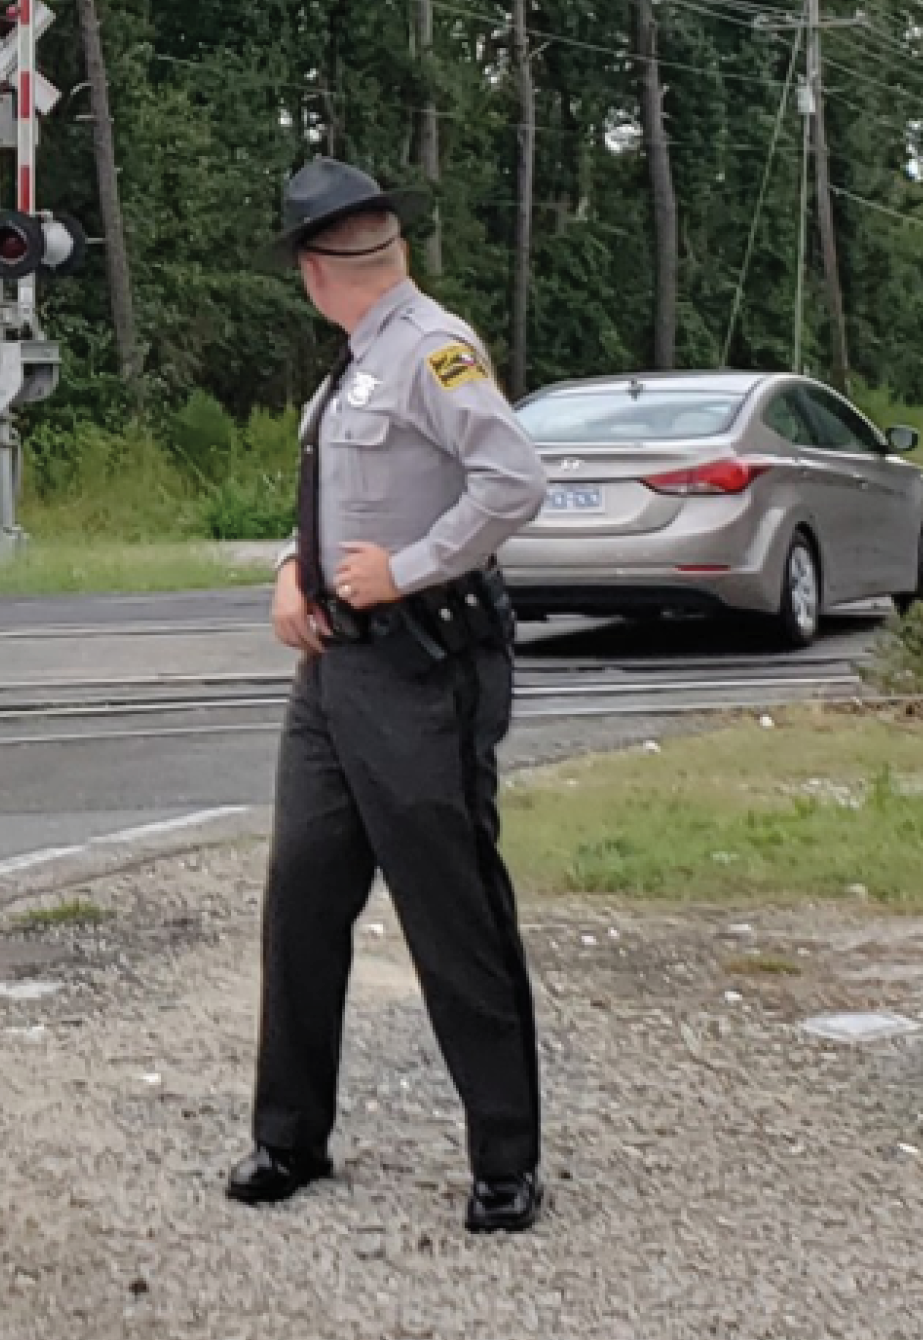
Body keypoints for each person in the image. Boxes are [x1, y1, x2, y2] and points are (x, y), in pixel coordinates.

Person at [225, 155, 549, 1234]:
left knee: (450, 907)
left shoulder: (431, 352)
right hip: (333, 674)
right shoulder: (350, 370)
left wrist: (405, 567)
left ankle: (505, 1158)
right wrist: (291, 570)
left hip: (422, 667)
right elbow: (332, 499)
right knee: (303, 899)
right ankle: (289, 1135)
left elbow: (515, 482)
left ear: (319, 270)